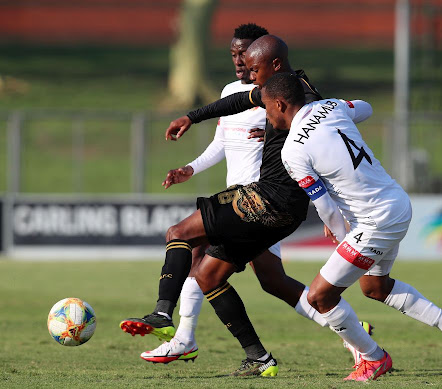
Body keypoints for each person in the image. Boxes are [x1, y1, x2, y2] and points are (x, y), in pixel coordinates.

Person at [120, 23, 332, 364]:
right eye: (240, 60)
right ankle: (260, 356)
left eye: (252, 65)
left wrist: (331, 208)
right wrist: (192, 118)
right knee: (212, 275)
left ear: (272, 63)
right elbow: (235, 103)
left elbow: (329, 156)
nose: (247, 71)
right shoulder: (279, 89)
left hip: (264, 199)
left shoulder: (305, 102)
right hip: (277, 208)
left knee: (180, 233)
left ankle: (165, 316)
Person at [260, 72, 442, 381]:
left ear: (281, 104)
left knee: (320, 297)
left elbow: (323, 206)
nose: (267, 117)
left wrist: (342, 240)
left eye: (267, 109)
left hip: (376, 220)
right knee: (375, 287)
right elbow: (365, 108)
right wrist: (332, 107)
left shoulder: (292, 151)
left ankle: (374, 359)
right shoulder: (331, 106)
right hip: (397, 204)